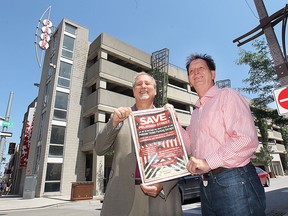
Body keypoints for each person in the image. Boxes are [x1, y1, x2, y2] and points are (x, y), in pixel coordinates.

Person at [179, 53, 266, 215]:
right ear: (189, 80)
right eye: (191, 71)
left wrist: (208, 162)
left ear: (213, 74)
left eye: (200, 68)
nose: (196, 73)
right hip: (206, 185)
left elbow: (246, 139)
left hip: (234, 180)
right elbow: (190, 146)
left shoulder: (227, 96)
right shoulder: (196, 113)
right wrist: (174, 123)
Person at [94, 72, 182, 216]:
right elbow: (99, 148)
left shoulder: (166, 117)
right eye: (138, 84)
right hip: (123, 196)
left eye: (147, 83)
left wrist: (163, 185)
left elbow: (178, 159)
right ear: (133, 90)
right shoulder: (120, 117)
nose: (143, 86)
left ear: (155, 90)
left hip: (160, 197)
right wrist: (113, 122)